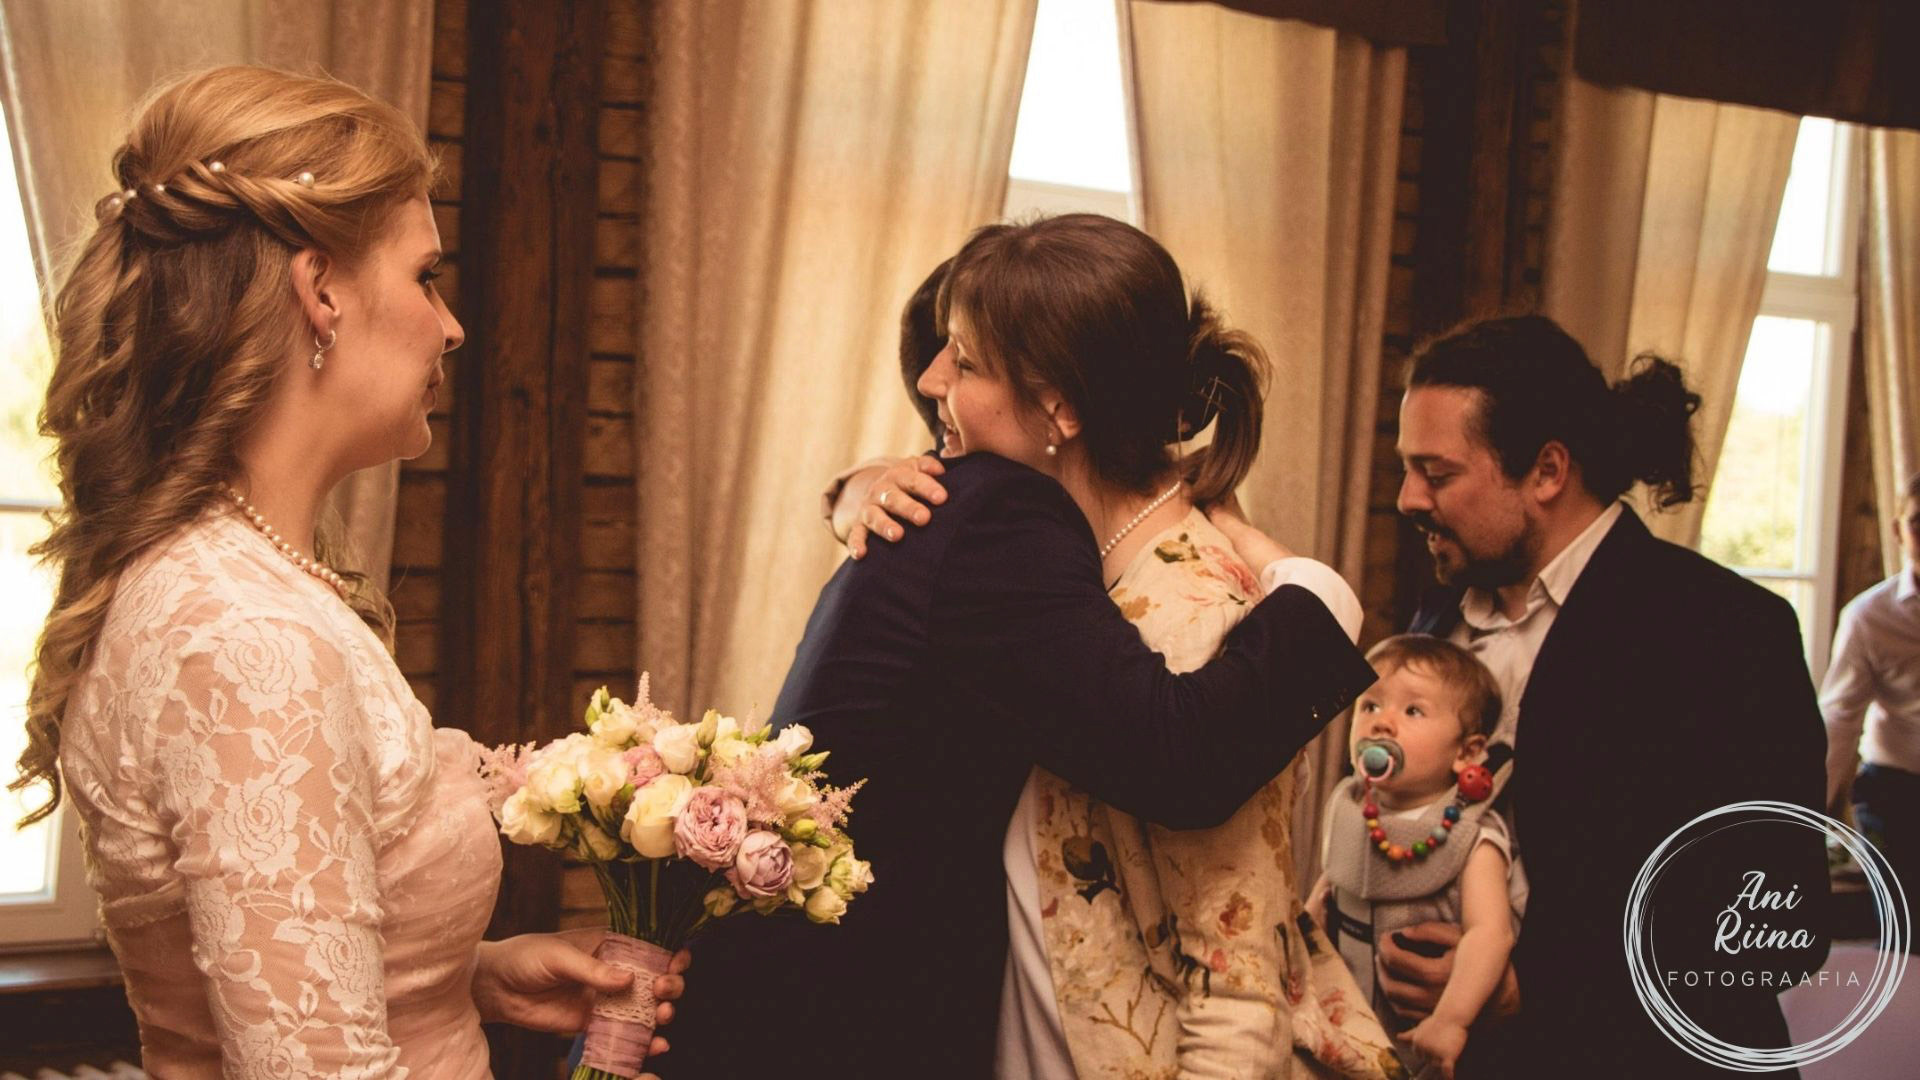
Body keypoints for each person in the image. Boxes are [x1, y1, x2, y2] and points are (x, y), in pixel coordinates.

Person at [12, 66, 684, 1077]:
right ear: (320, 290)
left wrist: (461, 979)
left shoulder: (239, 583)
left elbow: (275, 961)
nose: (451, 325)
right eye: (425, 276)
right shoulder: (249, 638)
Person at [670, 217, 1380, 1079]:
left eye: (965, 362)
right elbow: (1175, 748)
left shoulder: (1026, 527)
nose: (931, 379)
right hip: (826, 1024)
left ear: (1062, 408)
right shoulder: (994, 514)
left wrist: (1307, 588)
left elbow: (1193, 791)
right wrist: (1314, 592)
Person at [1390, 315, 1829, 1077]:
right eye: (1407, 469)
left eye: (1437, 473)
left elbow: (1780, 920)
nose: (1407, 499)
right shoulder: (1438, 616)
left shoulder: (1724, 629)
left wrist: (1528, 988)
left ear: (1547, 471)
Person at [1310, 635, 1516, 1079]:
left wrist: (1451, 1020)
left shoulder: (1472, 838)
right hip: (1341, 1023)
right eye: (1370, 705)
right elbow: (1331, 882)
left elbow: (1490, 934)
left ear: (1466, 753)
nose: (1381, 723)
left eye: (1413, 711)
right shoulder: (1349, 806)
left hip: (1418, 1040)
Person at [1822, 471, 1920, 943]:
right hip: (1896, 789)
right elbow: (1839, 718)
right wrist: (1808, 813)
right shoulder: (1869, 617)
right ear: (1899, 530)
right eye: (1919, 522)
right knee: (1907, 929)